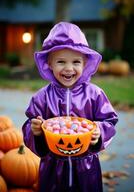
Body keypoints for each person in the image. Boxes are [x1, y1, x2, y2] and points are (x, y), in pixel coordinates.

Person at [22, 22, 118, 192]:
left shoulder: (95, 94)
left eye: (76, 62)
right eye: (60, 62)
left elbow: (109, 121)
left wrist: (98, 132)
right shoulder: (42, 97)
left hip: (86, 168)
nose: (68, 68)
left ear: (85, 63)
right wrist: (34, 130)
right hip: (53, 168)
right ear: (49, 64)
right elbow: (29, 124)